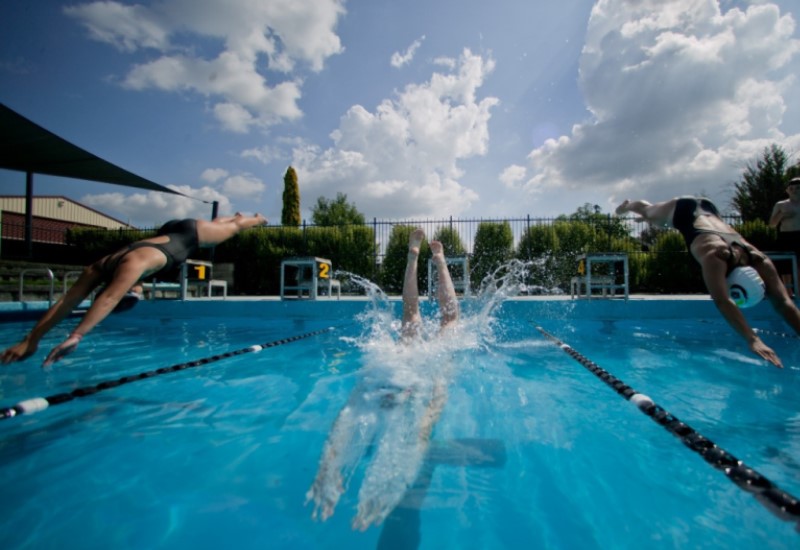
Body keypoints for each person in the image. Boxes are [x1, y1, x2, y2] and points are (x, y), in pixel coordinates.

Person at [306, 228, 460, 530]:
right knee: (449, 319)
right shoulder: (419, 395)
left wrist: (328, 464)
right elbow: (425, 425)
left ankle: (414, 258)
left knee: (411, 314)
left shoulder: (391, 388)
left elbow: (348, 415)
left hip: (400, 366)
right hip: (427, 369)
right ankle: (438, 261)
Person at [1, 213, 267, 367]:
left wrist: (76, 335)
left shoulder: (128, 264)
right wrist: (30, 340)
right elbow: (65, 303)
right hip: (170, 232)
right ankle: (244, 217)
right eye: (135, 291)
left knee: (234, 226)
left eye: (133, 290)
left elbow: (108, 298)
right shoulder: (99, 268)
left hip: (189, 235)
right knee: (224, 223)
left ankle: (255, 218)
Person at [616, 197, 800, 368]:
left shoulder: (757, 258)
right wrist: (753, 339)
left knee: (656, 219)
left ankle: (649, 219)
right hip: (681, 210)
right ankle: (629, 206)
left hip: (709, 210)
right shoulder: (716, 255)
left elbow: (783, 302)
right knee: (648, 211)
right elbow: (723, 300)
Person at [769, 177, 800, 291]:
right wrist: (782, 215)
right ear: (787, 190)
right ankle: (788, 291)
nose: (794, 191)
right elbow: (772, 224)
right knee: (786, 265)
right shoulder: (781, 205)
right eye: (791, 189)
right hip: (786, 237)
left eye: (797, 188)